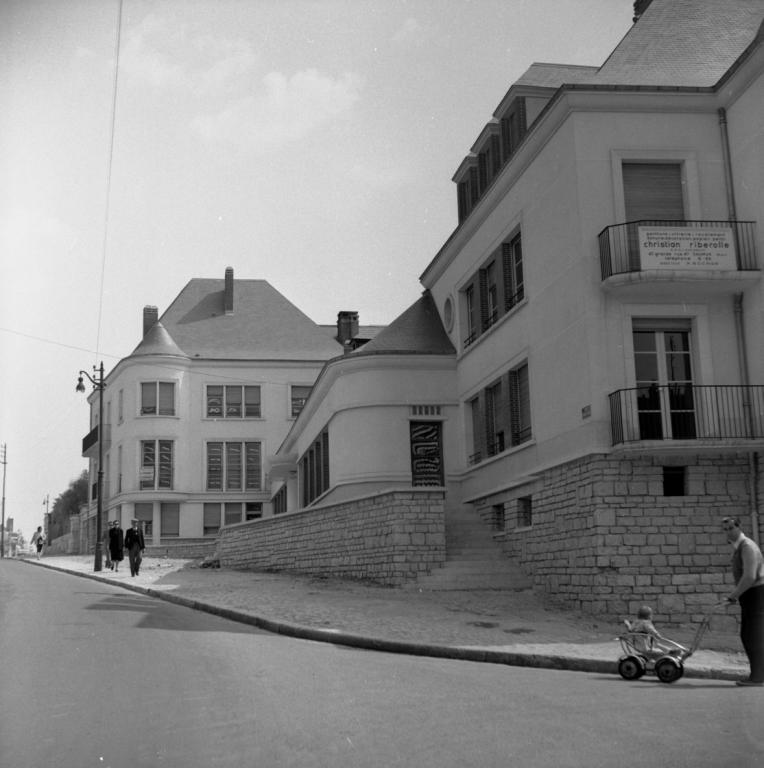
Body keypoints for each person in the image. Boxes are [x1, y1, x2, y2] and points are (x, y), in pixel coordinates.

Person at [722, 516, 764, 687]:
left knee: (753, 635)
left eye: (731, 528)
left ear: (739, 527)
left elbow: (749, 577)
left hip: (756, 593)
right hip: (750, 594)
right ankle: (758, 675)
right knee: (749, 635)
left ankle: (758, 677)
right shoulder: (739, 547)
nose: (728, 532)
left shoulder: (747, 547)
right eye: (725, 529)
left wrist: (733, 595)